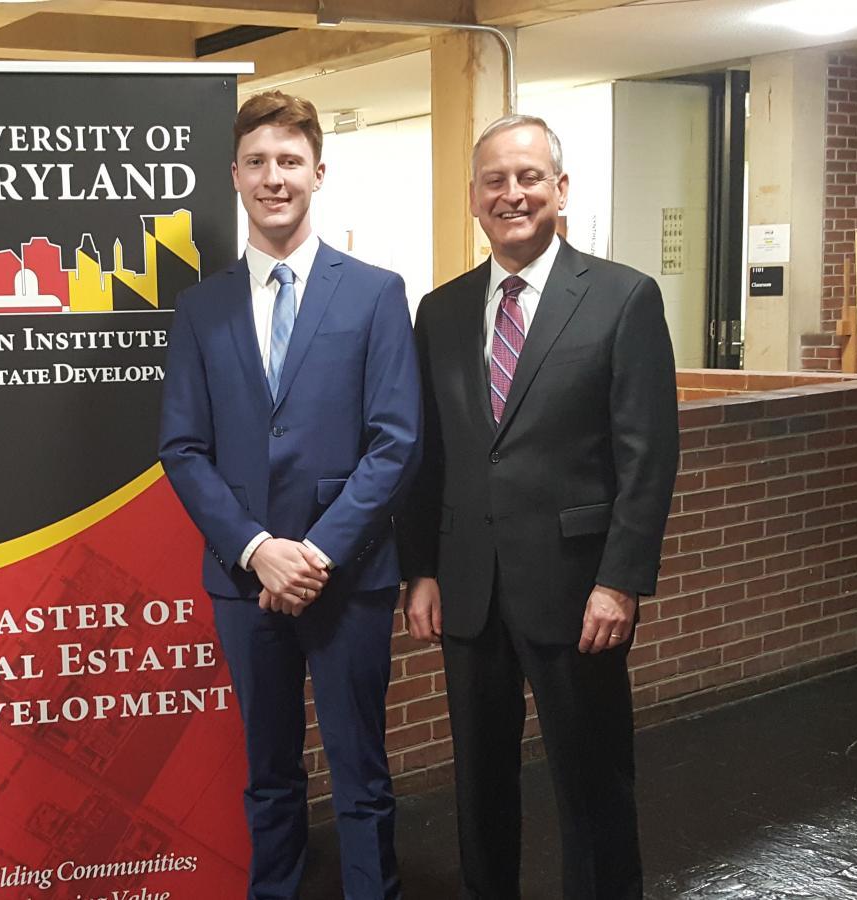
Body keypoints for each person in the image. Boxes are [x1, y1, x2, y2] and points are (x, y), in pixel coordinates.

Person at [399, 115, 679, 899]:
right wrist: (418, 568)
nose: (512, 193)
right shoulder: (442, 311)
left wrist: (620, 581)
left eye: (528, 177)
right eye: (495, 180)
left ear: (560, 189)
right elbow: (428, 457)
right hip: (469, 587)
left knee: (592, 785)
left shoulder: (623, 298)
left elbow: (647, 456)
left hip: (577, 587)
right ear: (472, 199)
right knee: (479, 788)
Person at [158, 91, 421, 900]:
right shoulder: (202, 309)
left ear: (319, 172)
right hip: (244, 579)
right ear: (235, 175)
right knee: (268, 772)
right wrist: (257, 549)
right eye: (260, 163)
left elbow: (396, 438)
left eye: (291, 162)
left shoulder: (375, 291)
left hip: (347, 577)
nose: (276, 178)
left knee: (360, 774)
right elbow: (182, 447)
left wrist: (314, 551)